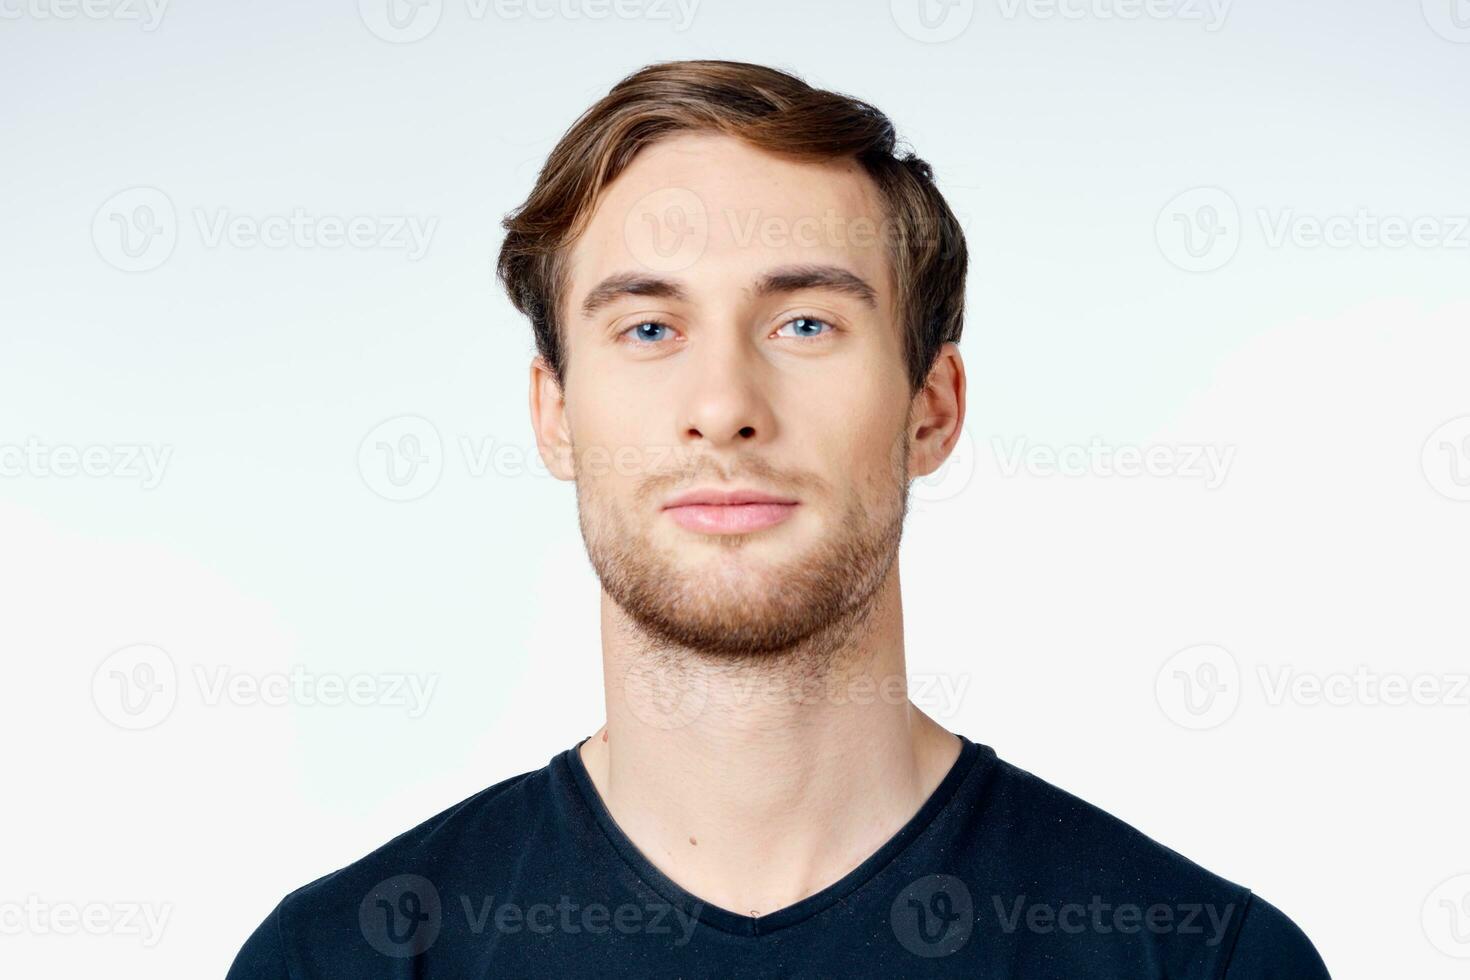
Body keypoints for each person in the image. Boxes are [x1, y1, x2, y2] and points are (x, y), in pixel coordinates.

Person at [227, 59, 1330, 978]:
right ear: (553, 414)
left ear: (930, 409)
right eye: (649, 329)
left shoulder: (1200, 961)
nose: (723, 408)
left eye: (804, 322)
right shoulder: (338, 960)